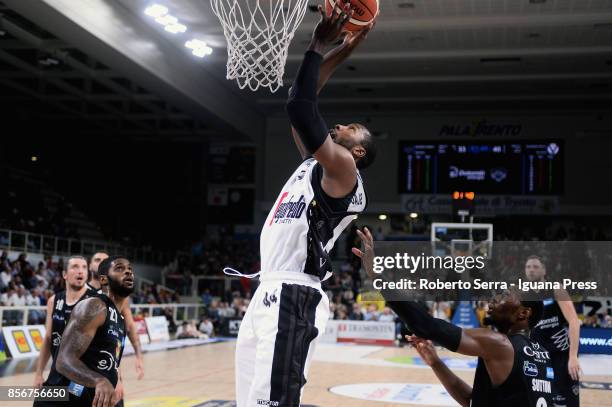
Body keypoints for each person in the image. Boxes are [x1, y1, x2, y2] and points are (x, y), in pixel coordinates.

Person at [232, 5, 375, 407]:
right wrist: (343, 50)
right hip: (269, 290)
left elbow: (301, 109)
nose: (338, 126)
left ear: (358, 150)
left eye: (348, 128)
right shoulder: (315, 165)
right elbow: (300, 99)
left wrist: (317, 44)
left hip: (295, 292)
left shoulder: (344, 169)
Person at [353, 228, 556, 407]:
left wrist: (376, 276)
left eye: (505, 295)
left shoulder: (499, 344)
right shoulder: (542, 355)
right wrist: (436, 363)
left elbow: (426, 325)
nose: (496, 297)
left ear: (523, 313)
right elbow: (472, 400)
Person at [54, 256, 134, 407]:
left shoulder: (120, 319)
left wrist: (115, 381)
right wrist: (99, 380)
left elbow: (109, 363)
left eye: (130, 269)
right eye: (120, 268)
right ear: (103, 280)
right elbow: (63, 360)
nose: (128, 272)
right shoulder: (95, 306)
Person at [33, 256, 97, 393]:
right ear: (65, 274)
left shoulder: (96, 302)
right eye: (75, 267)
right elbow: (49, 338)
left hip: (82, 380)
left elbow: (110, 344)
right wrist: (39, 373)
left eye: (84, 267)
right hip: (56, 375)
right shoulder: (53, 301)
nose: (80, 271)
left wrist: (116, 380)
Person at [525, 255, 582, 406]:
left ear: (544, 270)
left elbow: (574, 321)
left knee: (565, 402)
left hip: (561, 357)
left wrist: (573, 357)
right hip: (539, 358)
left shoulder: (556, 289)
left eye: (535, 267)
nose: (531, 270)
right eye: (528, 267)